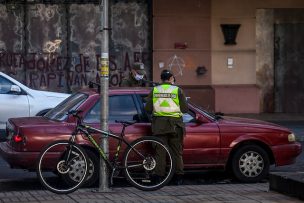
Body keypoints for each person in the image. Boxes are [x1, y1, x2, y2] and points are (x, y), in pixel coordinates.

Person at [145, 69, 188, 185]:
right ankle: (178, 177)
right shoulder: (178, 90)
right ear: (171, 79)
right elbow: (185, 109)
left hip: (159, 126)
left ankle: (159, 178)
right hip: (175, 126)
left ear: (162, 79)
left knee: (160, 152)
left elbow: (148, 109)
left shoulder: (154, 90)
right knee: (176, 152)